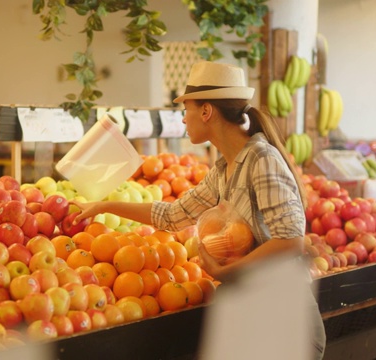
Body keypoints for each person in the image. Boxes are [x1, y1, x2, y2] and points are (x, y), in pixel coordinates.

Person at [73, 61, 326, 359]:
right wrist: (104, 206)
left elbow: (290, 240)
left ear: (206, 111)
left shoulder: (261, 159)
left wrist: (227, 271)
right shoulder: (222, 170)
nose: (183, 120)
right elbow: (171, 216)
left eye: (186, 110)